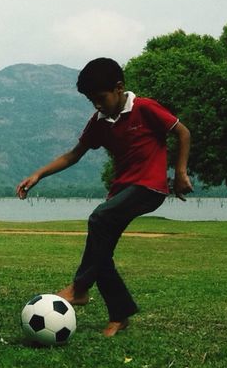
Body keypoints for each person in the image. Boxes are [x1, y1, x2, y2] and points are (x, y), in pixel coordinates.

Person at [16, 57, 191, 337]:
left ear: (119, 88)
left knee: (99, 218)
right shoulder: (99, 121)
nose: (96, 105)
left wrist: (180, 173)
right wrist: (39, 175)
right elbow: (73, 155)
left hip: (150, 187)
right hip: (122, 190)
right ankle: (120, 315)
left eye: (100, 98)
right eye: (90, 100)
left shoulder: (144, 108)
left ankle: (80, 287)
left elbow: (182, 132)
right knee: (102, 254)